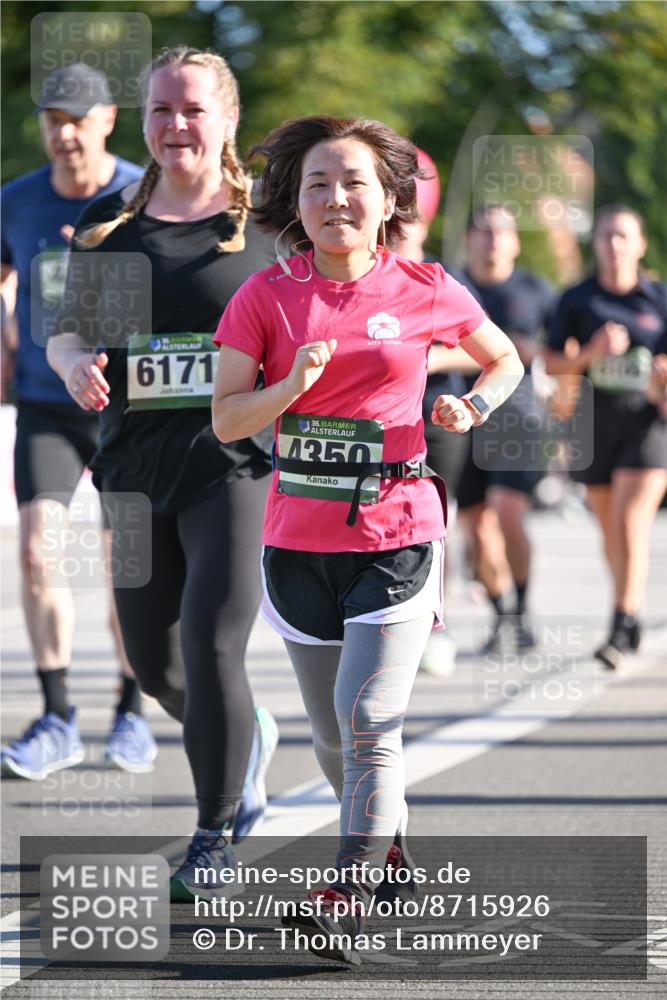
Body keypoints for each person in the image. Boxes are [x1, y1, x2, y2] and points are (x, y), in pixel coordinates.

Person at [212, 115, 523, 965]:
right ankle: (388, 855)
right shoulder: (264, 297)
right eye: (317, 182)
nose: (335, 198)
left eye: (354, 182)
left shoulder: (423, 285)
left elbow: (504, 361)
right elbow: (226, 418)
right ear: (295, 199)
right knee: (331, 736)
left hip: (396, 534)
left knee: (370, 725)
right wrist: (290, 385)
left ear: (387, 199)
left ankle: (343, 896)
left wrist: (473, 406)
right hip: (297, 544)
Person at [45, 47, 278, 898]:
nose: (174, 125)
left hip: (237, 465)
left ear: (225, 123)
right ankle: (244, 738)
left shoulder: (267, 231)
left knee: (213, 641)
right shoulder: (114, 224)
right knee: (155, 665)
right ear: (141, 121)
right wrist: (74, 366)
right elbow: (70, 332)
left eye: (190, 109)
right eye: (159, 110)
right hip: (134, 468)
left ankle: (212, 832)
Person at [0, 63, 157, 778]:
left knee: (126, 566)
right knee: (37, 550)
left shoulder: (142, 195)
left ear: (107, 120)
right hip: (44, 402)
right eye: (52, 119)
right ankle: (57, 714)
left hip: (127, 406)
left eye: (77, 118)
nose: (64, 132)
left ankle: (131, 710)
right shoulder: (16, 201)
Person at [546, 205, 667, 669]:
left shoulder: (657, 299)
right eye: (607, 237)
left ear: (640, 245)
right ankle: (630, 611)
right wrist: (591, 353)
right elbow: (554, 363)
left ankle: (619, 622)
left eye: (623, 237)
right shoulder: (577, 299)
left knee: (629, 520)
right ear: (595, 245)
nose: (614, 246)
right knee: (609, 530)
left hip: (646, 424)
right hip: (593, 423)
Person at [443, 206, 556, 653]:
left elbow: (567, 351)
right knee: (476, 525)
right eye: (484, 230)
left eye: (501, 231)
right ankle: (501, 614)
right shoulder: (448, 283)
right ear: (468, 238)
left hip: (517, 415)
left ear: (515, 242)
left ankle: (523, 609)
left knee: (507, 512)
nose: (492, 239)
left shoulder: (537, 291)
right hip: (458, 413)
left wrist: (538, 352)